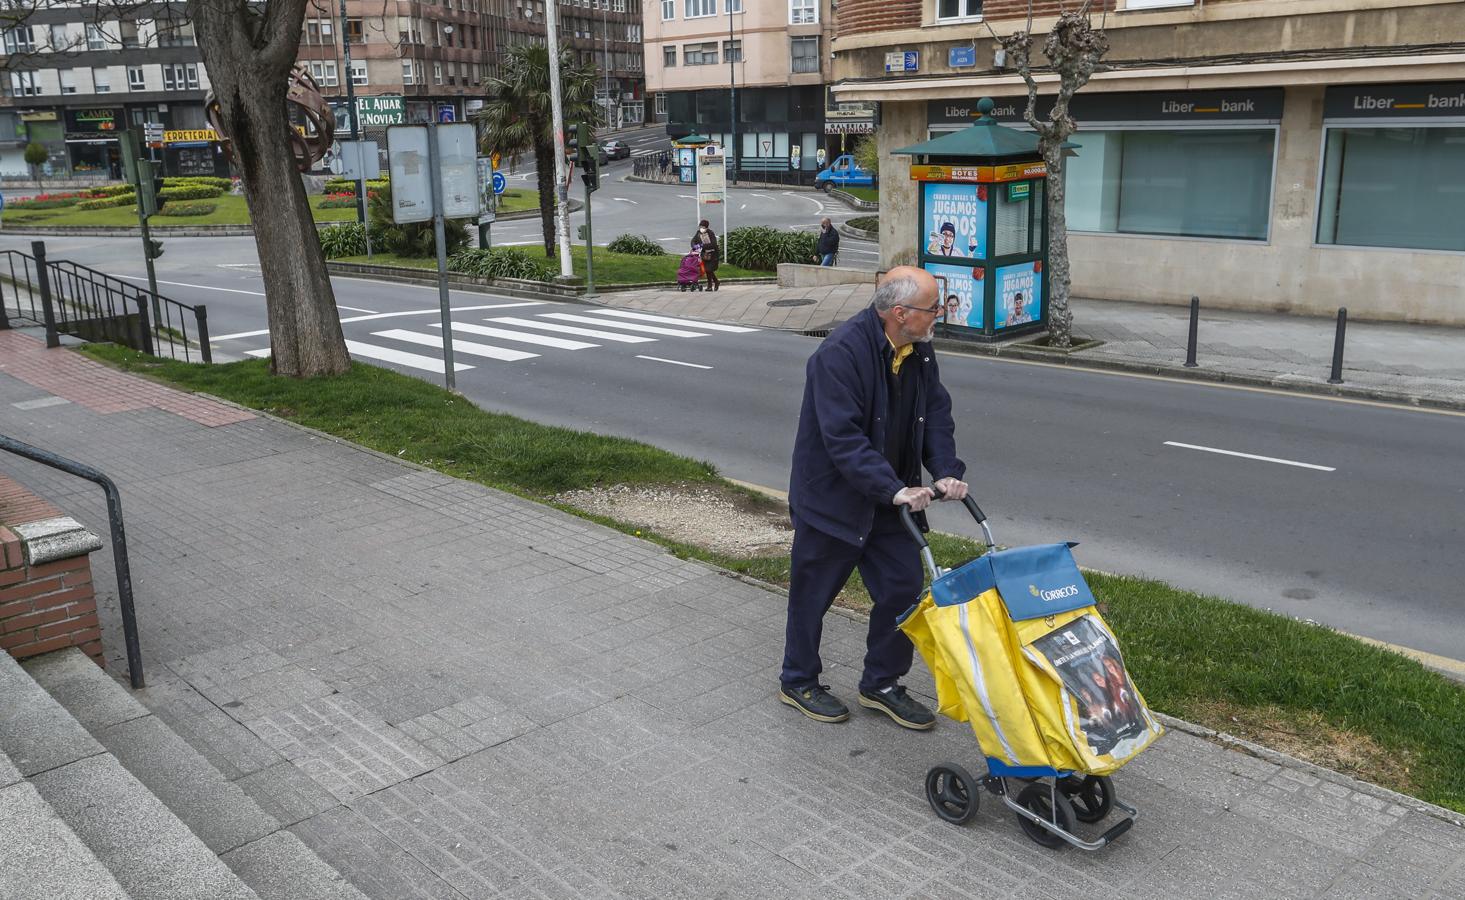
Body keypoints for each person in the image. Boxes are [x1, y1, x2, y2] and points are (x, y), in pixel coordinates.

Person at [780, 266, 969, 730]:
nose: (938, 315)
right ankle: (798, 680)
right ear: (900, 313)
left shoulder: (918, 353)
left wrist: (944, 471)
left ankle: (881, 683)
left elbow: (935, 416)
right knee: (812, 597)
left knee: (903, 593)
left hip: (891, 502)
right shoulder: (839, 355)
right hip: (834, 503)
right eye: (931, 308)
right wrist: (894, 488)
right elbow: (842, 439)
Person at [691, 220, 720, 291]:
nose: (701, 228)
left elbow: (713, 244)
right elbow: (693, 241)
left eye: (703, 227)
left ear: (706, 227)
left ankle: (710, 285)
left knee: (709, 269)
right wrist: (694, 246)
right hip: (704, 254)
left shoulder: (710, 233)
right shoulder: (698, 233)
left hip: (712, 254)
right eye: (700, 227)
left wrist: (702, 246)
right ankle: (716, 282)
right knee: (707, 270)